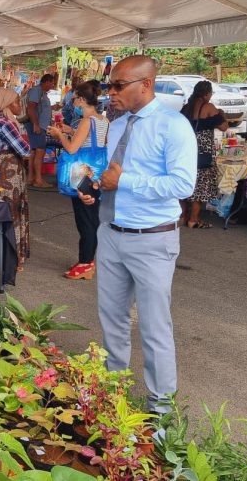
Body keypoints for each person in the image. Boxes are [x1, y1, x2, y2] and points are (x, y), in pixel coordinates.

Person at [78, 55, 196, 413]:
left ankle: (160, 413)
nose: (110, 92)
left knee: (154, 328)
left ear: (146, 84)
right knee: (112, 320)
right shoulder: (117, 124)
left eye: (118, 85)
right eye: (109, 85)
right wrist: (97, 188)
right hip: (111, 232)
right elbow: (112, 173)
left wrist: (124, 181)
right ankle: (112, 398)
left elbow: (183, 184)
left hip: (152, 238)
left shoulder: (172, 126)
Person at [47, 81, 109, 280]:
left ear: (82, 100)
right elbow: (92, 142)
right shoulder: (103, 120)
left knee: (85, 220)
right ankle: (88, 260)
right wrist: (70, 131)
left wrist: (59, 135)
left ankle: (86, 263)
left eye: (74, 99)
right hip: (96, 173)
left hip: (82, 173)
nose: (73, 103)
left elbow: (72, 149)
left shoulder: (86, 121)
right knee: (92, 217)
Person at [0, 87, 31, 271]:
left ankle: (0, 254)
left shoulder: (0, 121)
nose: (20, 105)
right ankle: (11, 257)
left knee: (1, 210)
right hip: (9, 172)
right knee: (11, 211)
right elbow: (25, 150)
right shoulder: (7, 124)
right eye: (16, 101)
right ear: (6, 104)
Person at [179, 81, 228, 229]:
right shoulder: (208, 107)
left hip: (185, 149)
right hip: (203, 151)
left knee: (184, 181)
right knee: (200, 185)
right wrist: (221, 114)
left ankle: (182, 216)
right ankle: (194, 219)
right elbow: (224, 127)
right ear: (207, 94)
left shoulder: (186, 108)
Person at [24, 74, 56, 187]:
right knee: (40, 151)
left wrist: (52, 108)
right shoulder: (36, 90)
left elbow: (38, 107)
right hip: (37, 126)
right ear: (46, 82)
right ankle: (38, 180)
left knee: (34, 151)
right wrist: (36, 124)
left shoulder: (42, 93)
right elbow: (31, 108)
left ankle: (31, 178)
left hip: (39, 125)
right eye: (52, 83)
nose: (52, 85)